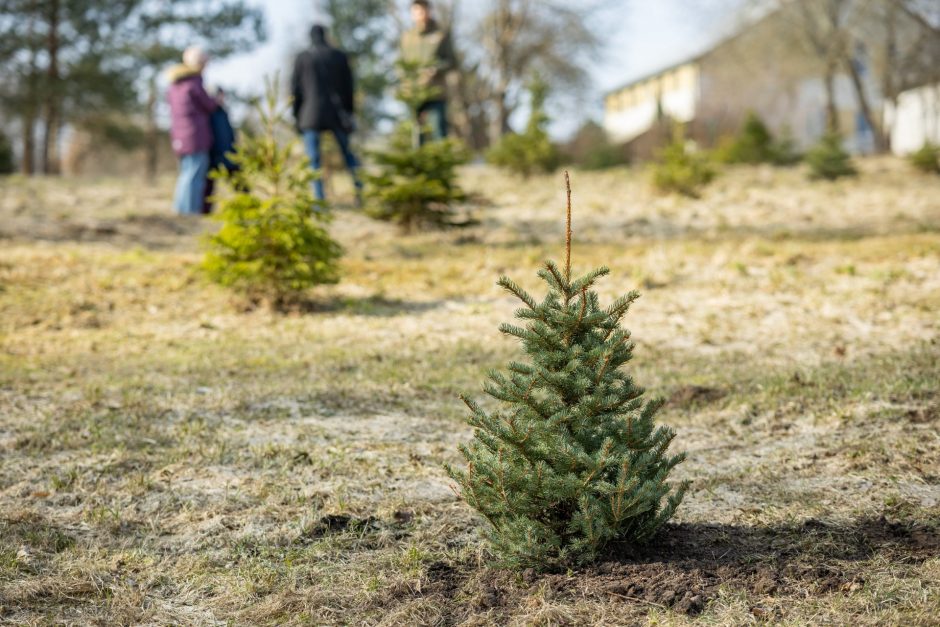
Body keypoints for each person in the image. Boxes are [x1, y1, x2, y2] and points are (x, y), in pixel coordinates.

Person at [291, 24, 363, 205]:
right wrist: (349, 112)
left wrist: (296, 116)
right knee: (348, 155)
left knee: (313, 160)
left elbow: (295, 90)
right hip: (337, 114)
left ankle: (319, 201)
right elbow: (349, 88)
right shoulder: (338, 56)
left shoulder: (303, 58)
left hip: (310, 115)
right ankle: (360, 193)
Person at [167, 46, 218, 215]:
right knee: (195, 175)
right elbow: (208, 105)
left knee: (186, 174)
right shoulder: (194, 82)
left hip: (179, 136)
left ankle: (180, 209)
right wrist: (217, 100)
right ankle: (191, 211)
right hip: (195, 135)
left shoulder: (175, 83)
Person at [400, 0, 456, 143]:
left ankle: (443, 163)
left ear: (429, 11)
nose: (421, 14)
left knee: (439, 129)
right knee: (416, 132)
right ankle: (418, 163)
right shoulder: (407, 38)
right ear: (412, 14)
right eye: (417, 11)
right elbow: (401, 64)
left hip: (436, 91)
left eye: (423, 10)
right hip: (413, 92)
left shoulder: (440, 34)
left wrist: (436, 69)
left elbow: (452, 62)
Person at [202, 87, 238, 214]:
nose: (221, 99)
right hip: (213, 156)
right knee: (208, 188)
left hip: (229, 155)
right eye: (219, 96)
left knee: (239, 184)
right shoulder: (208, 113)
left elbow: (229, 135)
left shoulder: (224, 112)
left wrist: (235, 152)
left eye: (223, 96)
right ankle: (204, 213)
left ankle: (249, 207)